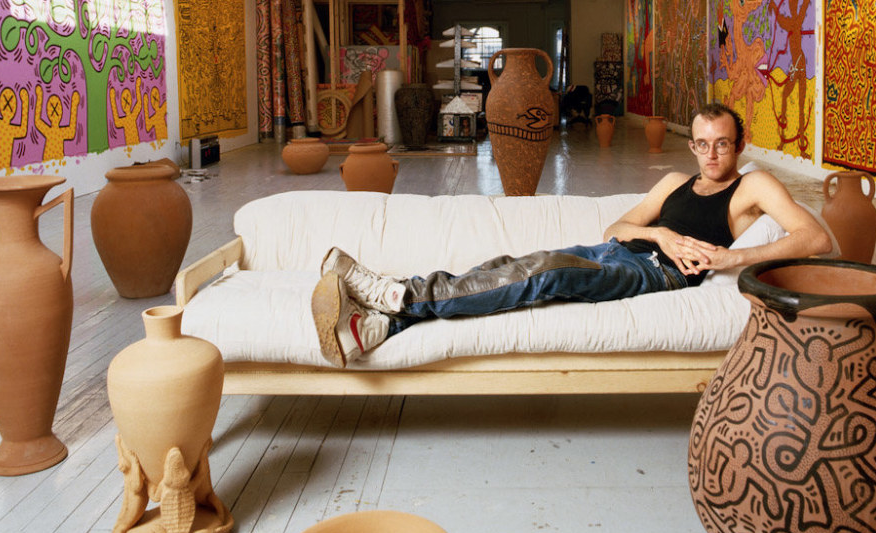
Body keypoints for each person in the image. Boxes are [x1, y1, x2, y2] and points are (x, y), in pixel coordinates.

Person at [311, 102, 831, 367]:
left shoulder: (752, 185)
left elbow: (814, 238)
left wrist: (728, 259)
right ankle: (379, 329)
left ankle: (398, 293)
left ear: (739, 144)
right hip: (620, 251)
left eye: (722, 144)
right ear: (691, 145)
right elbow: (617, 227)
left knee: (545, 274)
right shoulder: (674, 181)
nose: (711, 154)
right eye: (702, 144)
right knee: (514, 266)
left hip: (653, 274)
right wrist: (663, 233)